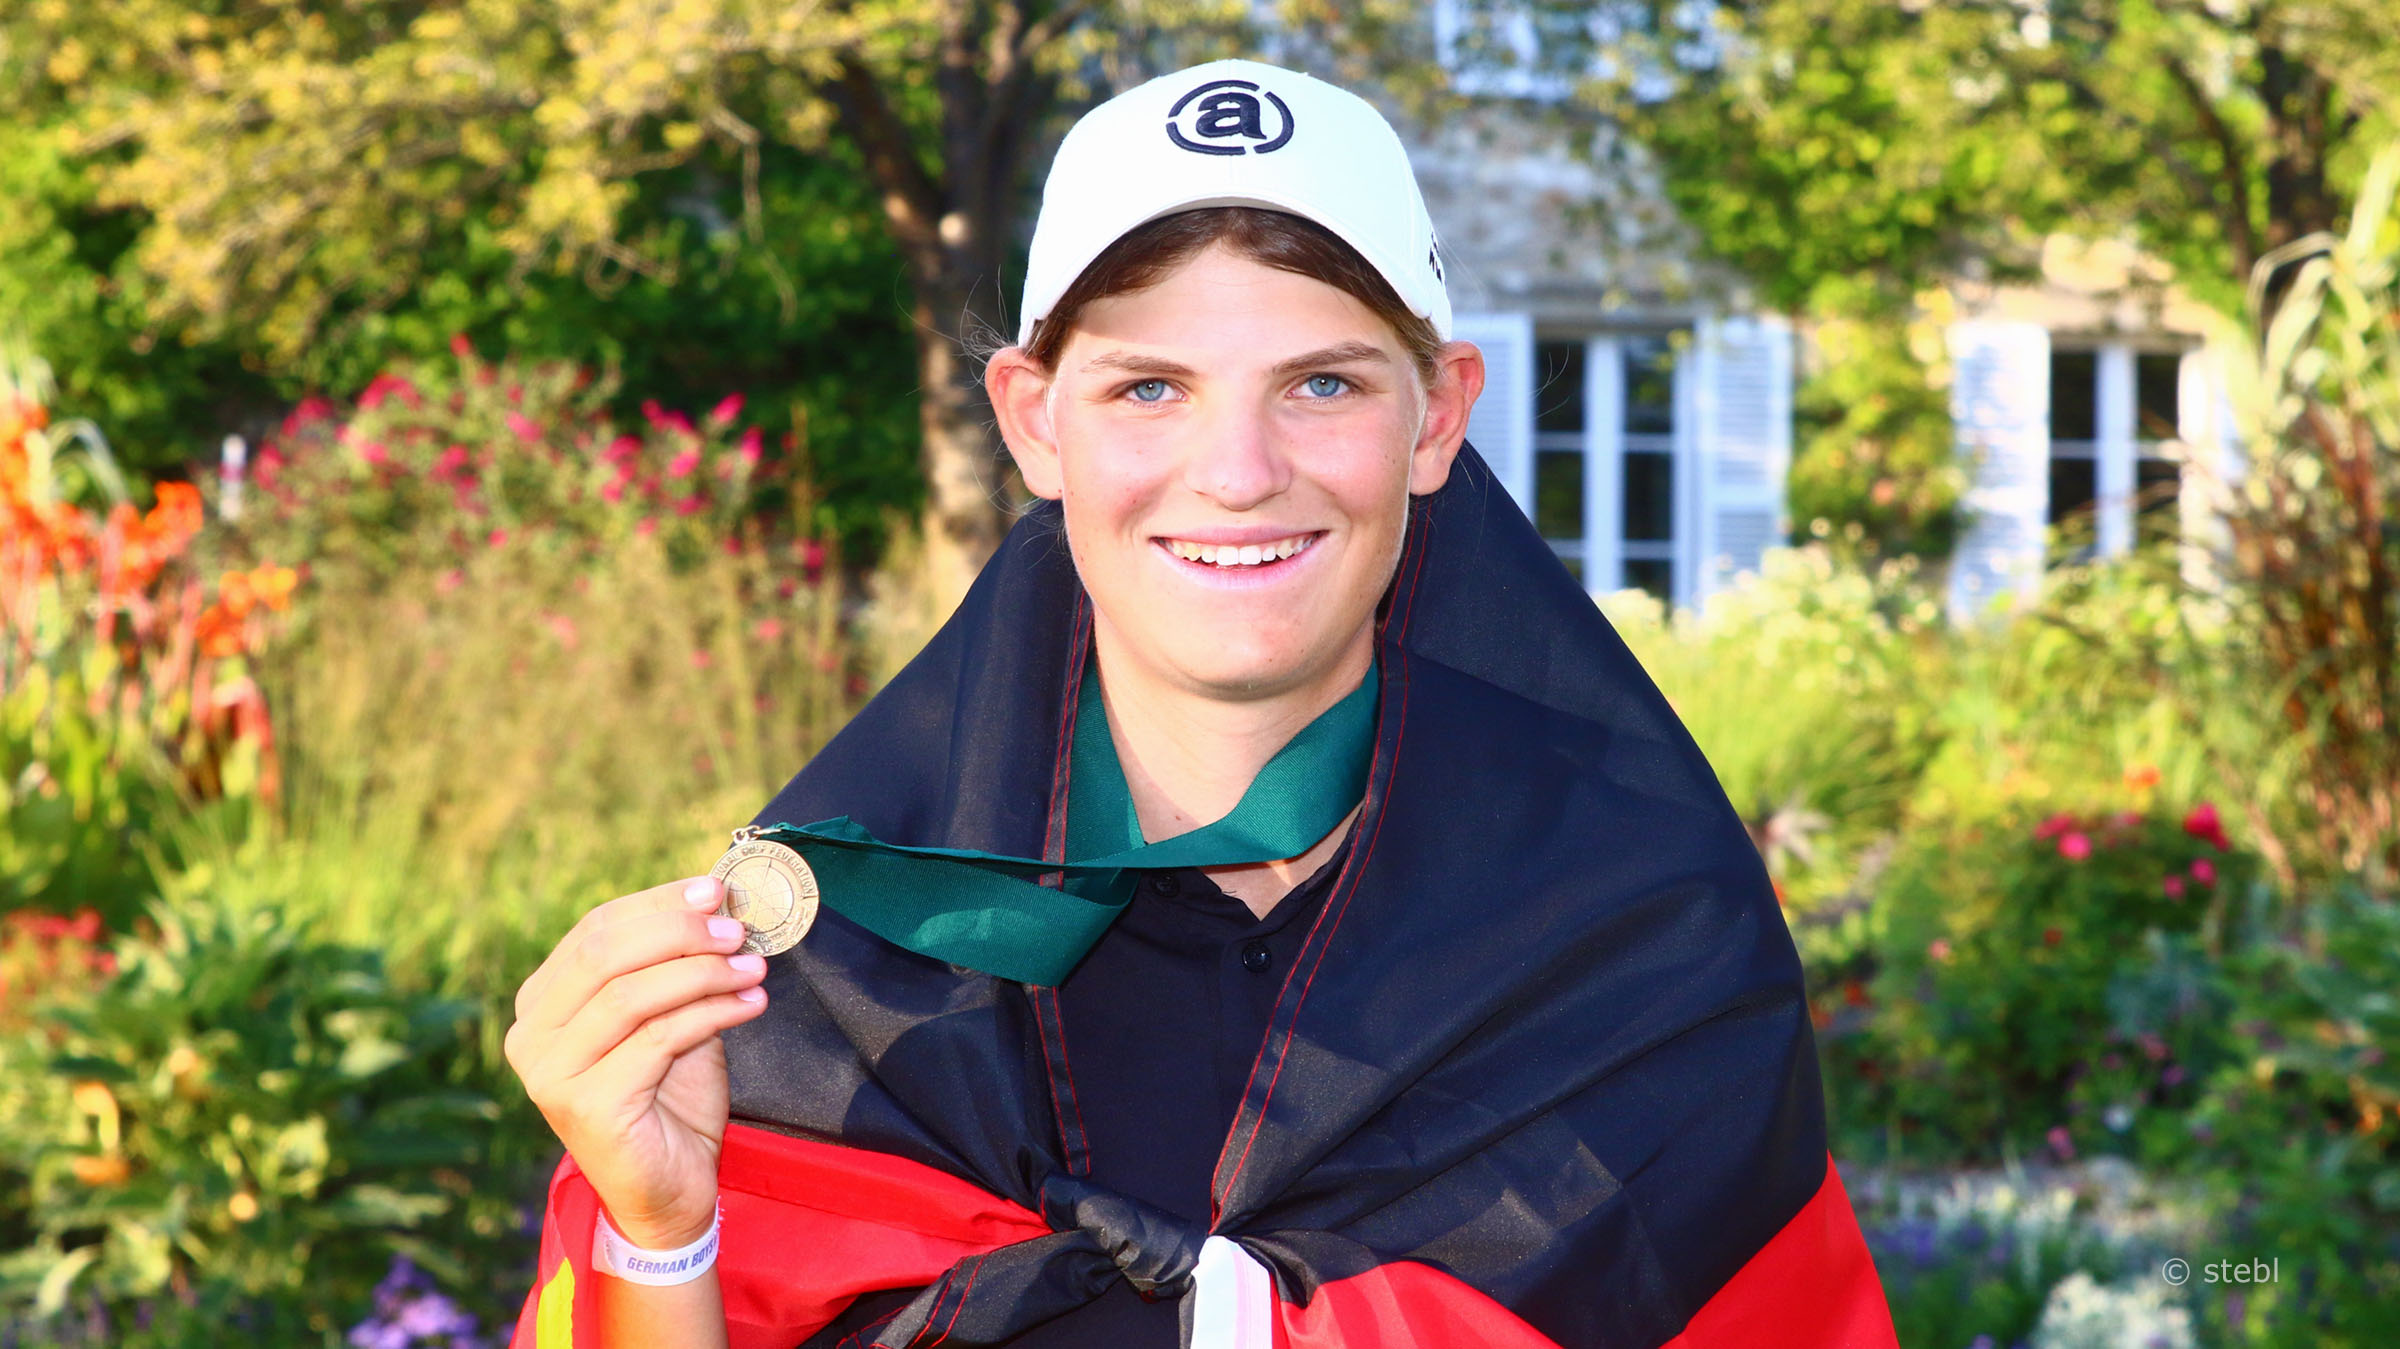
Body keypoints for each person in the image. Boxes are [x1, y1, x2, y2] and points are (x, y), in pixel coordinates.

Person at [505, 58, 1898, 1349]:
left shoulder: (1642, 949)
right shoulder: (828, 975)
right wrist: (665, 1237)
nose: (1237, 471)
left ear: (1439, 415)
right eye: (1151, 386)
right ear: (1035, 420)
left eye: (1324, 382)